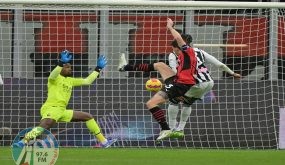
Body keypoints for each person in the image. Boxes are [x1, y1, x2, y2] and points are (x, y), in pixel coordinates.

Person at [13, 50, 117, 148]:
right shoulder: (54, 78)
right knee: (46, 124)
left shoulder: (70, 81)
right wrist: (61, 63)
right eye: (67, 67)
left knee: (88, 117)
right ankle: (22, 142)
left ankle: (103, 141)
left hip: (62, 110)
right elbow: (53, 74)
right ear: (61, 68)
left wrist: (98, 68)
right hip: (51, 108)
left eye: (70, 67)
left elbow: (87, 81)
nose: (70, 69)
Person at [118, 18, 199, 142]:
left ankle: (165, 128)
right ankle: (125, 67)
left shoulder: (187, 51)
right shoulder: (185, 56)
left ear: (181, 47)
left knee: (151, 103)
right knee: (160, 65)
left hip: (181, 85)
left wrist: (170, 27)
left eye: (175, 50)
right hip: (179, 81)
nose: (174, 52)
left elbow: (178, 38)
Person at [168, 38, 241, 139]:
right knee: (187, 103)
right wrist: (232, 73)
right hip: (209, 83)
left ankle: (171, 129)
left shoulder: (174, 55)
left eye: (174, 48)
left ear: (179, 46)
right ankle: (180, 129)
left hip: (194, 83)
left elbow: (174, 72)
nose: (173, 51)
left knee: (173, 100)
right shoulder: (199, 51)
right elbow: (219, 64)